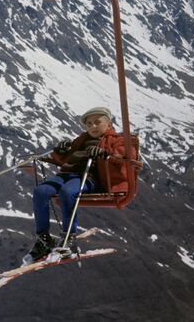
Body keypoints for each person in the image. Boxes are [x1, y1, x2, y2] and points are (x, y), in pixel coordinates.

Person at [23, 107, 134, 265]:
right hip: (67, 174)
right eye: (89, 124)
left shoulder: (117, 140)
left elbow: (124, 154)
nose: (93, 126)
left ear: (109, 123)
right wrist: (61, 150)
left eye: (97, 122)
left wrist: (105, 154)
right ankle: (43, 239)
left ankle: (69, 239)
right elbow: (64, 158)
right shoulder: (82, 139)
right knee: (41, 191)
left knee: (67, 192)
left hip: (88, 178)